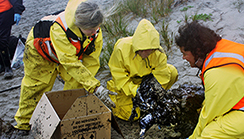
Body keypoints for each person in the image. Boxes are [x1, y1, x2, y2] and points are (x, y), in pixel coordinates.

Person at [14, 0, 115, 132]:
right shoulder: (60, 29)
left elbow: (92, 62)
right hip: (40, 51)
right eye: (91, 30)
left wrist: (92, 85)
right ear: (80, 25)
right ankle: (24, 124)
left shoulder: (95, 31)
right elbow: (70, 63)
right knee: (36, 86)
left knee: (76, 82)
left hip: (66, 54)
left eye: (97, 28)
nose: (95, 32)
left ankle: (68, 114)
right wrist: (95, 87)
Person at [107, 18, 178, 121]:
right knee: (131, 115)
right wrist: (136, 91)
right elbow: (119, 77)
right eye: (143, 50)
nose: (147, 53)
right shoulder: (121, 48)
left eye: (150, 50)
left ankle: (150, 102)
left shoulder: (158, 52)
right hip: (129, 83)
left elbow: (162, 77)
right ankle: (119, 98)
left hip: (148, 81)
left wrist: (154, 95)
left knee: (172, 72)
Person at [0, 0, 25, 79]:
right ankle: (2, 65)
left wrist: (17, 10)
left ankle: (7, 67)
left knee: (2, 40)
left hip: (5, 12)